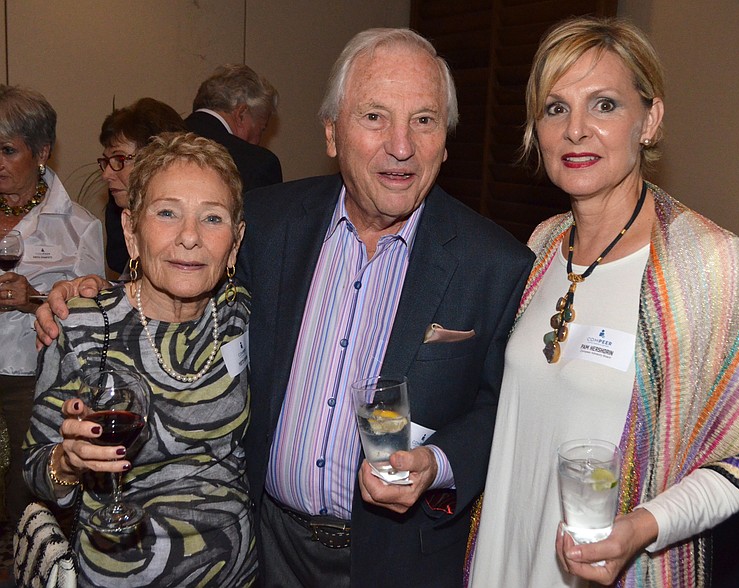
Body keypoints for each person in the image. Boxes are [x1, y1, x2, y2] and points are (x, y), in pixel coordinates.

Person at [34, 28, 533, 587]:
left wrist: (439, 463)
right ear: (331, 133)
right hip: (267, 550)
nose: (401, 145)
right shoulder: (268, 225)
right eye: (374, 117)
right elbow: (180, 270)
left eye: (424, 119)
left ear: (445, 140)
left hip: (401, 559)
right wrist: (89, 295)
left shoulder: (494, 264)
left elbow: (504, 409)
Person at [466, 17, 739, 588]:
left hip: (617, 569)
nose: (576, 130)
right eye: (556, 108)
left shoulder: (706, 261)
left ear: (650, 119)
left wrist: (643, 527)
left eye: (605, 105)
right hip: (502, 561)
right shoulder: (541, 244)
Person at [23, 132, 256, 586]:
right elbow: (36, 468)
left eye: (212, 218)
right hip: (118, 571)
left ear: (235, 241)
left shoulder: (241, 313)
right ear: (131, 230)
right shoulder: (80, 325)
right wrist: (67, 462)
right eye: (167, 213)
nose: (189, 237)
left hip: (235, 571)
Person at [0, 85, 104, 526]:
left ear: (42, 152)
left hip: (31, 380)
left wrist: (34, 299)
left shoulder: (79, 225)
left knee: (23, 499)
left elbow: (92, 315)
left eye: (8, 150)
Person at [98, 97, 187, 275]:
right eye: (106, 161)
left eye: (119, 159)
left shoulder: (185, 235)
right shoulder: (124, 218)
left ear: (156, 159)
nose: (106, 175)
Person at [185, 64, 283, 192]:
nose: (259, 141)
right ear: (241, 114)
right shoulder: (257, 164)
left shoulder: (162, 136)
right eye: (262, 129)